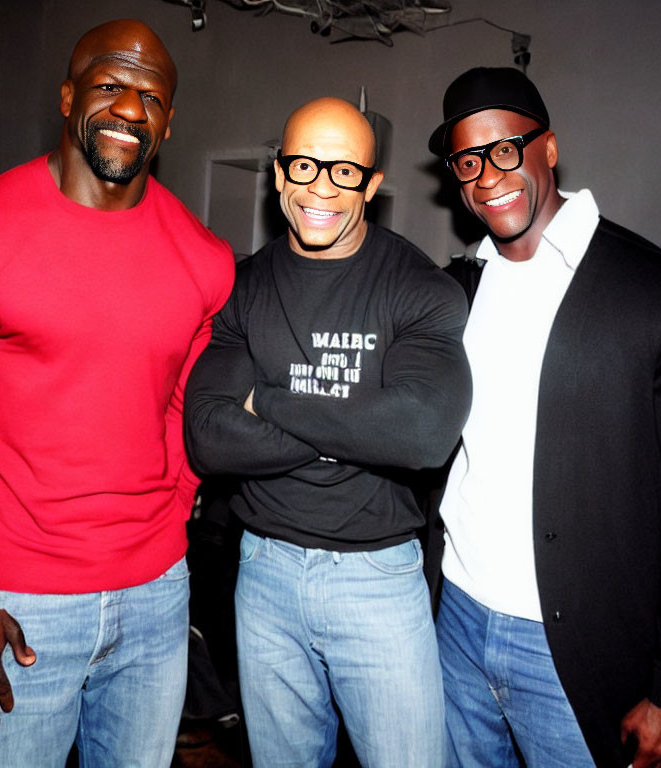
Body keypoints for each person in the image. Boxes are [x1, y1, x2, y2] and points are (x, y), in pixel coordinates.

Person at [0, 19, 234, 768]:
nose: (131, 108)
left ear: (169, 120)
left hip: (158, 598)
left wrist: (169, 514)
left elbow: (180, 409)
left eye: (152, 96)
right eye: (110, 85)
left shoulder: (204, 259)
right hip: (17, 603)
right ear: (68, 97)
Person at [184, 96, 471, 767]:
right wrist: (362, 422)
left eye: (345, 172)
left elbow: (423, 435)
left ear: (370, 185)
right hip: (264, 574)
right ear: (278, 174)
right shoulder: (241, 286)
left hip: (378, 579)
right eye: (305, 166)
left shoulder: (419, 288)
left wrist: (269, 400)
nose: (321, 187)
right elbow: (209, 437)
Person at [427, 66, 661, 768]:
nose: (489, 176)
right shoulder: (454, 292)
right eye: (467, 159)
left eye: (506, 148)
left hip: (575, 655)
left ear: (549, 147)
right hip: (454, 619)